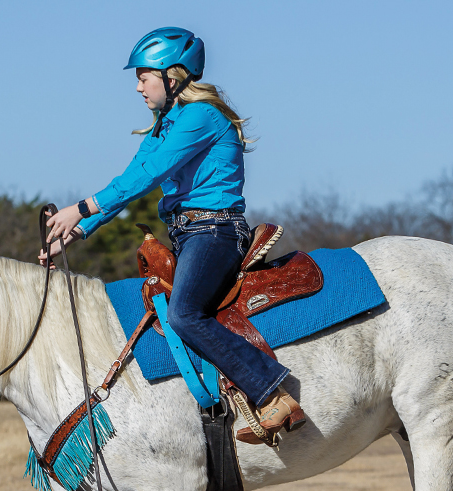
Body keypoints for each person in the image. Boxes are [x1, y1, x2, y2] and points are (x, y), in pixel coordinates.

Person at [41, 27, 305, 443]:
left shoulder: (200, 117)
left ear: (173, 75)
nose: (138, 87)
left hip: (214, 231)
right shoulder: (166, 125)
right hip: (188, 235)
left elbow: (148, 176)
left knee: (183, 314)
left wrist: (82, 207)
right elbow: (129, 179)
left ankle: (272, 392)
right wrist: (78, 230)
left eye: (144, 76)